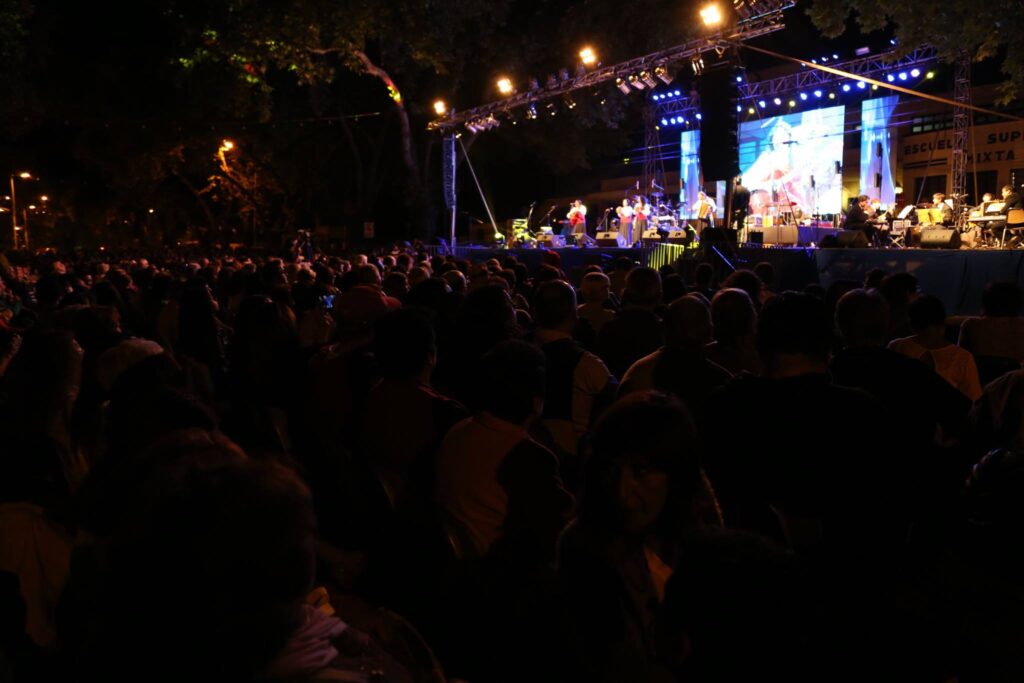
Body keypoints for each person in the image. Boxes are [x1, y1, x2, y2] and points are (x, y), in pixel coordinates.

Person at [888, 295, 982, 401]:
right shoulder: (963, 358)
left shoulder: (897, 346)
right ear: (943, 322)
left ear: (911, 324)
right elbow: (974, 400)